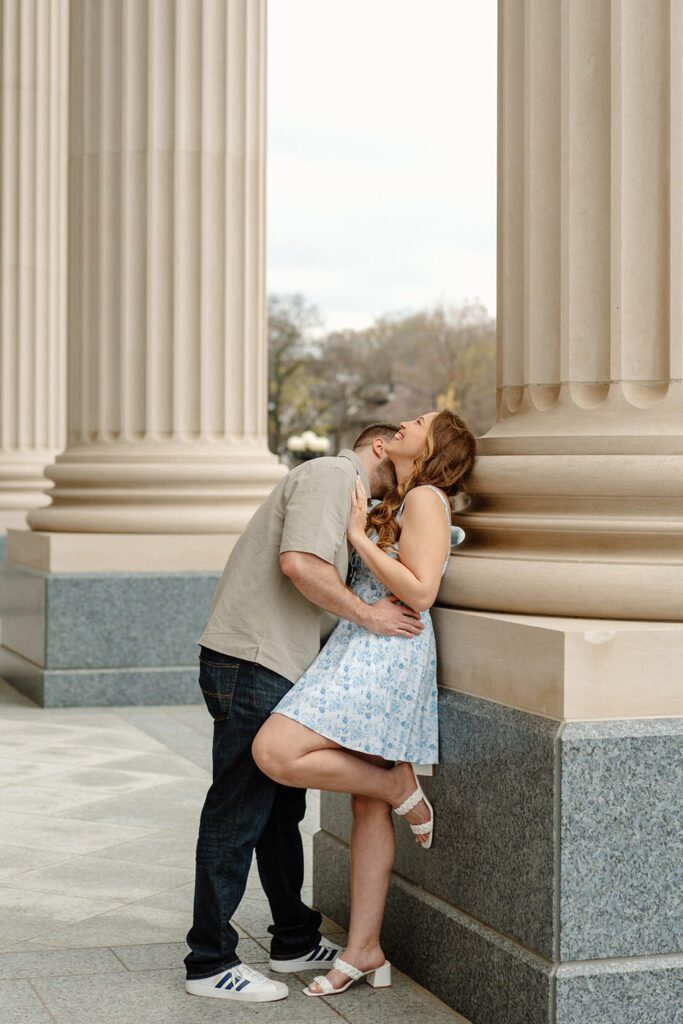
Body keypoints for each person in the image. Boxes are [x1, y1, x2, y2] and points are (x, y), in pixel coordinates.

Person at [184, 422, 428, 1003]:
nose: (409, 431)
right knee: (238, 808)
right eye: (403, 429)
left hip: (275, 664)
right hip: (254, 659)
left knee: (277, 811)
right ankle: (210, 962)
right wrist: (370, 616)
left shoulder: (353, 495)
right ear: (379, 446)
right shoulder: (332, 474)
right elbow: (300, 564)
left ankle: (294, 936)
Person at [252, 409, 476, 999]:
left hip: (387, 649)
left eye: (421, 420)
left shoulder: (426, 496)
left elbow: (421, 590)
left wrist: (355, 538)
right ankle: (365, 949)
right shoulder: (400, 500)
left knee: (275, 750)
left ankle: (398, 787)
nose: (404, 421)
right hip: (365, 643)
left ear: (438, 446)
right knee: (365, 804)